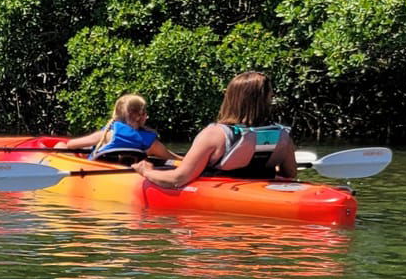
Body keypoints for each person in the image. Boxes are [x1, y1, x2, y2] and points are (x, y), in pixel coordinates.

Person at [134, 70, 298, 191]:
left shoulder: (214, 134)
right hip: (260, 191)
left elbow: (178, 179)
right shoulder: (282, 134)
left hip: (223, 195)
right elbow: (289, 173)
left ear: (232, 99)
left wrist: (147, 171)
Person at [63, 93, 173, 165]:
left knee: (61, 146)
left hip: (99, 174)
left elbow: (70, 145)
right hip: (131, 175)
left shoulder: (105, 135)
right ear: (141, 116)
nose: (147, 116)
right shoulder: (151, 142)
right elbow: (173, 158)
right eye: (145, 113)